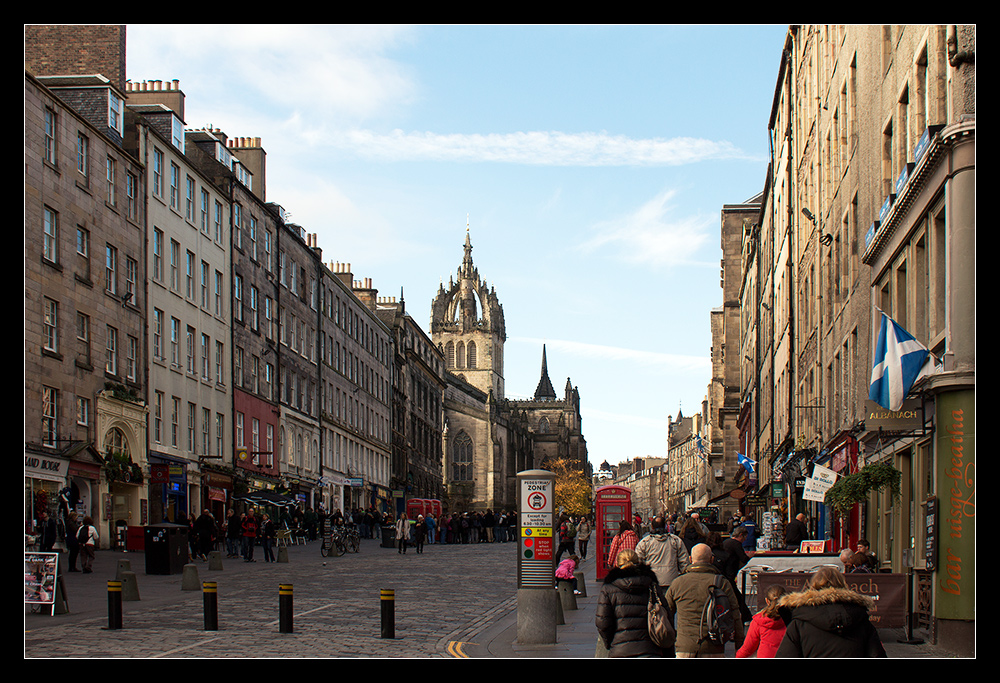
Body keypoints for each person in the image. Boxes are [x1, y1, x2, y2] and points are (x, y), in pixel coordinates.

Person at [776, 566, 887, 658]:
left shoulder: (800, 622)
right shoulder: (861, 620)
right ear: (843, 585)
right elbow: (877, 655)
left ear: (813, 587)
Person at [664, 543, 745, 658]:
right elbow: (735, 614)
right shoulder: (721, 583)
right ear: (712, 559)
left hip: (685, 646)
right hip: (714, 647)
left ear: (690, 559)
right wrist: (739, 644)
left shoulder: (677, 583)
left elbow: (666, 614)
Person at [595, 549, 665, 658]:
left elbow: (602, 622)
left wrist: (610, 641)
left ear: (617, 564)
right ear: (638, 562)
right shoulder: (651, 585)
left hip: (620, 650)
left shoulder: (608, 588)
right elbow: (666, 615)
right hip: (650, 649)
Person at [635, 515, 691, 591]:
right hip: (672, 580)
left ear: (652, 526)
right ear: (665, 526)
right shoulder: (675, 540)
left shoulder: (644, 543)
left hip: (652, 582)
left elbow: (638, 562)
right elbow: (684, 562)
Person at [736, 585, 787, 658]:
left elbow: (748, 648)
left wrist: (738, 656)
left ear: (767, 601)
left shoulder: (759, 621)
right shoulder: (793, 620)